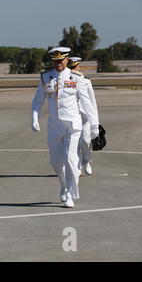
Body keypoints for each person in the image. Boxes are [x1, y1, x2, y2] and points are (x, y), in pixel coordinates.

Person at [31, 47, 99, 208]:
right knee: (56, 163)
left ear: (67, 60)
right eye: (54, 61)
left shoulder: (76, 78)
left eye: (60, 61)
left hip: (73, 125)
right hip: (55, 126)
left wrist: (94, 124)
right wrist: (34, 117)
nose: (57, 64)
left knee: (70, 158)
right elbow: (37, 100)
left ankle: (70, 193)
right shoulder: (46, 77)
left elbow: (87, 103)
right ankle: (63, 183)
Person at [69, 57, 99, 175]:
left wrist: (95, 122)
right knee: (74, 141)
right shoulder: (66, 80)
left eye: (74, 67)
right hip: (72, 115)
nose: (72, 70)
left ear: (78, 67)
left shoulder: (85, 81)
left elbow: (92, 102)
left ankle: (86, 161)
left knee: (85, 140)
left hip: (85, 116)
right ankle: (78, 164)